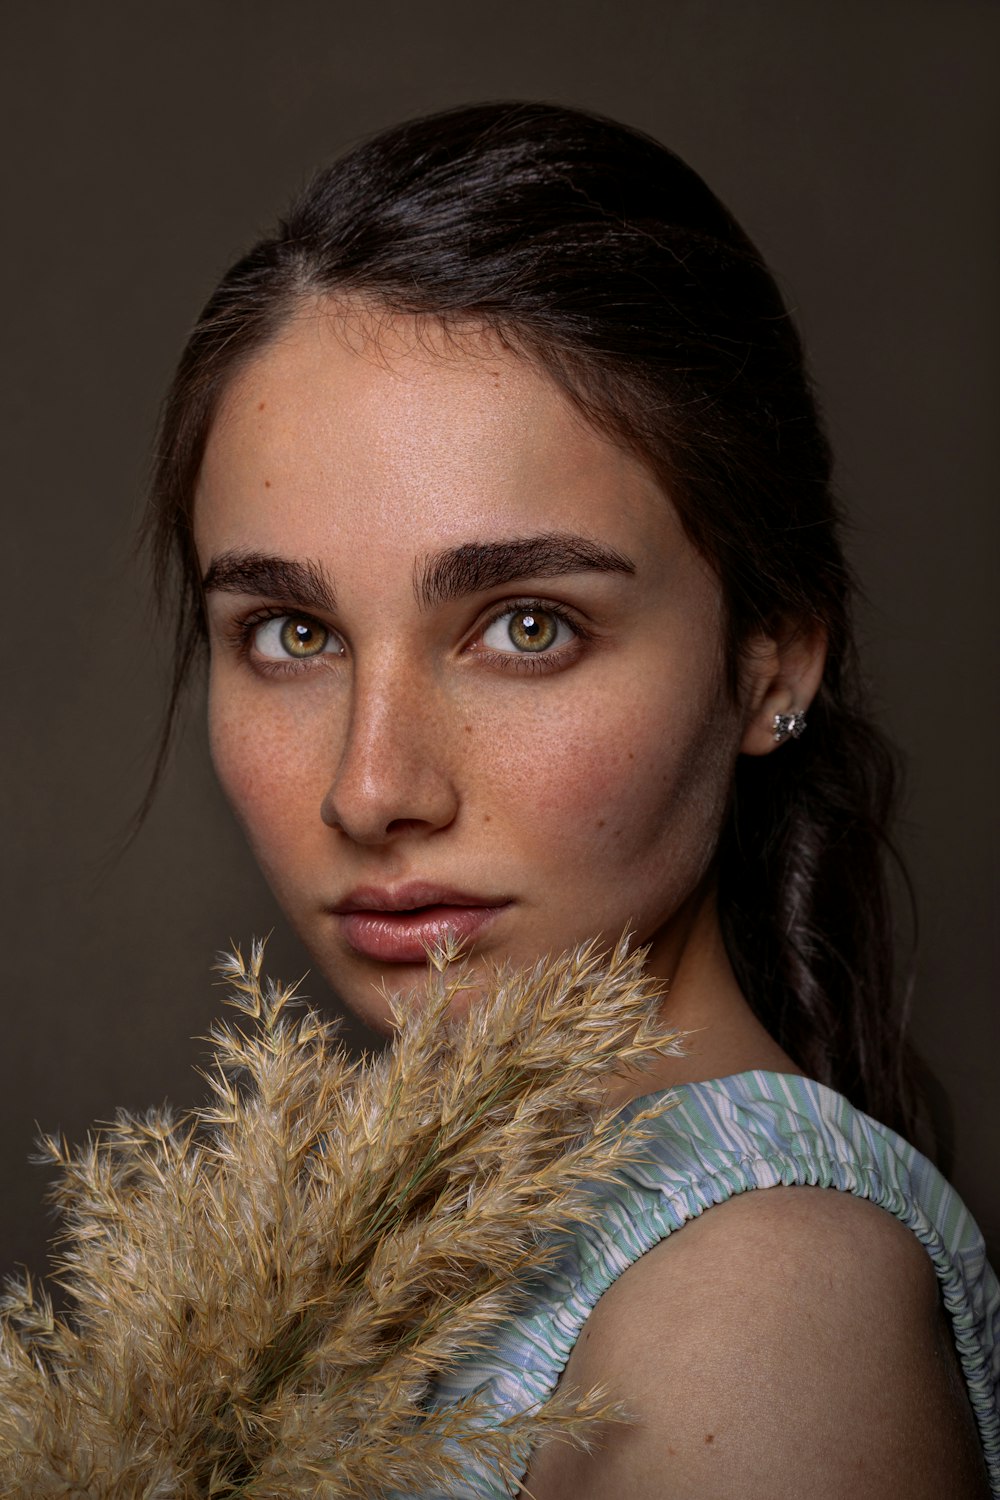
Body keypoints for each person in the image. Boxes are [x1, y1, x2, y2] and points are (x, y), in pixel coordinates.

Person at [145, 102, 998, 1496]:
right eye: (292, 635)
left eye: (525, 627)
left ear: (774, 654)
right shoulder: (404, 1244)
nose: (374, 789)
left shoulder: (762, 1306)